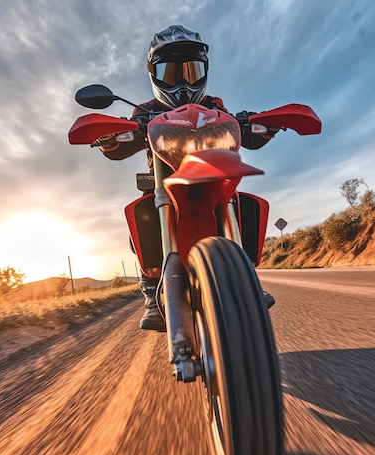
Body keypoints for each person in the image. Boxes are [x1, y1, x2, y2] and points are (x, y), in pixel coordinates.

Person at [99, 25, 275, 330]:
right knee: (142, 215)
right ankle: (152, 297)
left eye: (191, 71)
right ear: (154, 74)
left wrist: (257, 123)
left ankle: (246, 278)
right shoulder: (145, 110)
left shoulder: (214, 107)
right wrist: (110, 136)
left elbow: (240, 128)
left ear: (204, 71)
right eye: (170, 72)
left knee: (239, 200)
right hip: (164, 183)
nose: (181, 81)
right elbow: (116, 146)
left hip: (213, 178)